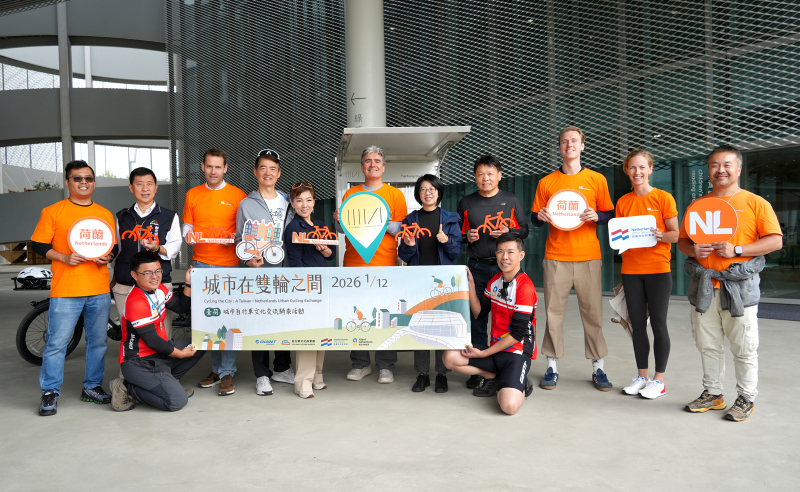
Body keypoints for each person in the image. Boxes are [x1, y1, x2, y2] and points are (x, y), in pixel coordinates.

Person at [678, 144, 782, 421]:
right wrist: (693, 250)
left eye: (727, 165)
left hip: (740, 289)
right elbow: (683, 241)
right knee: (707, 344)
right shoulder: (698, 206)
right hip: (704, 288)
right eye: (714, 165)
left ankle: (746, 397)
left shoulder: (755, 202)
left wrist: (737, 250)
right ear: (708, 170)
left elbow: (775, 241)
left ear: (738, 168)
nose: (720, 170)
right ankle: (713, 394)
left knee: (744, 347)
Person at [530, 126, 615, 391]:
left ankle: (598, 367)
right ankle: (552, 367)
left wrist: (597, 217)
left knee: (593, 313)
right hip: (556, 257)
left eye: (574, 141)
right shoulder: (547, 182)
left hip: (589, 256)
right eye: (565, 141)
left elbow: (609, 215)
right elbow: (535, 218)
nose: (570, 145)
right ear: (559, 147)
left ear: (582, 145)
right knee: (553, 313)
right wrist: (539, 217)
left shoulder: (596, 179)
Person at [31, 160, 118, 416]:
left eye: (88, 178)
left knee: (98, 343)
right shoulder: (53, 211)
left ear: (94, 183)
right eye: (77, 178)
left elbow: (112, 246)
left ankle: (91, 386)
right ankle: (50, 392)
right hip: (66, 289)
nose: (83, 182)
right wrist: (64, 257)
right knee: (56, 343)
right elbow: (38, 244)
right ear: (67, 182)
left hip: (98, 288)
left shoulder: (104, 214)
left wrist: (108, 256)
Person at [333, 146, 408, 383]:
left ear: (383, 167)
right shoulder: (351, 193)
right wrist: (338, 221)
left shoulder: (395, 195)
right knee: (357, 314)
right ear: (362, 166)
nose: (372, 164)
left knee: (385, 315)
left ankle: (386, 365)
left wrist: (381, 222)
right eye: (368, 161)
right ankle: (360, 363)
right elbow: (342, 228)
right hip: (354, 265)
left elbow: (402, 228)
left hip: (386, 265)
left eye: (377, 161)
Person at [456, 155, 528, 390]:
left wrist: (509, 231)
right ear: (475, 177)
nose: (485, 178)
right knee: (476, 319)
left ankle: (506, 363)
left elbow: (524, 230)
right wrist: (467, 237)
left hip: (504, 268)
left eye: (490, 173)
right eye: (480, 174)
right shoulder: (467, 202)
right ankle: (479, 366)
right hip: (477, 266)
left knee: (504, 318)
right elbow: (457, 234)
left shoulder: (511, 200)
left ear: (499, 175)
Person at [443, 232, 536, 415]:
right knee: (449, 357)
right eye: (500, 252)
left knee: (508, 407)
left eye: (510, 252)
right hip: (495, 351)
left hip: (516, 354)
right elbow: (479, 313)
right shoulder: (495, 281)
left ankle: (519, 381)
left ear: (521, 255)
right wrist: (471, 285)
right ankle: (495, 376)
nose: (504, 257)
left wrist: (484, 353)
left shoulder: (525, 287)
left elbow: (517, 334)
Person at [182, 148, 247, 396]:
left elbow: (244, 231)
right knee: (208, 320)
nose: (213, 171)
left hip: (229, 266)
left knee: (228, 321)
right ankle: (217, 369)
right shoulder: (192, 194)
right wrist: (188, 235)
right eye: (209, 166)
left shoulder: (238, 195)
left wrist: (232, 238)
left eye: (218, 167)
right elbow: (187, 225)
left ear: (225, 168)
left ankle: (228, 371)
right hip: (200, 264)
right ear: (202, 167)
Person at [616, 150, 679, 399]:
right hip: (631, 270)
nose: (637, 172)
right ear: (627, 170)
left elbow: (676, 234)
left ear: (650, 169)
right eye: (632, 168)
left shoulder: (663, 198)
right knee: (638, 325)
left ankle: (658, 381)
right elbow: (619, 235)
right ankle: (642, 377)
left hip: (658, 270)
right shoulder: (623, 202)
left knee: (659, 324)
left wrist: (662, 235)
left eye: (642, 167)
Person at [109, 252, 203, 412]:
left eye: (158, 271)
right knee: (177, 401)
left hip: (159, 353)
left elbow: (181, 307)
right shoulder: (136, 300)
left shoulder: (159, 289)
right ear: (134, 275)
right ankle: (125, 387)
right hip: (139, 361)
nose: (155, 276)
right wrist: (181, 354)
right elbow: (153, 341)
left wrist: (188, 283)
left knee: (201, 342)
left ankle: (169, 384)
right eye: (147, 273)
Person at [235, 149, 295, 396]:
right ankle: (261, 375)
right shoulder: (246, 204)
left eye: (273, 168)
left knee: (283, 318)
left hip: (286, 271)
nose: (268, 173)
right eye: (263, 168)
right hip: (259, 273)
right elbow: (240, 239)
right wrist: (248, 260)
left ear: (279, 173)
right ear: (255, 172)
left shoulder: (289, 201)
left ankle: (282, 368)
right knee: (259, 321)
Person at [398, 174, 462, 393]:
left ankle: (442, 374)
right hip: (418, 280)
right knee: (420, 326)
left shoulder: (450, 218)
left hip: (443, 282)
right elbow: (404, 255)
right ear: (418, 194)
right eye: (423, 189)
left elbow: (456, 252)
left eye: (432, 189)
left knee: (442, 327)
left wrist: (447, 240)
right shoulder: (410, 220)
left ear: (438, 192)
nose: (428, 193)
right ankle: (422, 373)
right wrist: (409, 245)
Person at [113, 167, 182, 340]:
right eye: (139, 184)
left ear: (156, 187)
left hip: (157, 284)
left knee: (161, 335)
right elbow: (117, 249)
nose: (145, 189)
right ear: (131, 187)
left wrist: (157, 248)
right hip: (125, 285)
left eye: (149, 184)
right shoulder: (122, 217)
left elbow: (174, 248)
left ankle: (162, 360)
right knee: (130, 336)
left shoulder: (169, 216)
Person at [283, 181, 336, 398]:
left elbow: (331, 255)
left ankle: (316, 376)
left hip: (323, 285)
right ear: (292, 203)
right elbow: (295, 261)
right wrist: (306, 288)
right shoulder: (293, 228)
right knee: (307, 334)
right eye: (299, 200)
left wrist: (323, 250)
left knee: (321, 332)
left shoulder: (320, 225)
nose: (304, 205)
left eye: (308, 200)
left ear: (314, 202)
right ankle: (302, 382)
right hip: (306, 287)